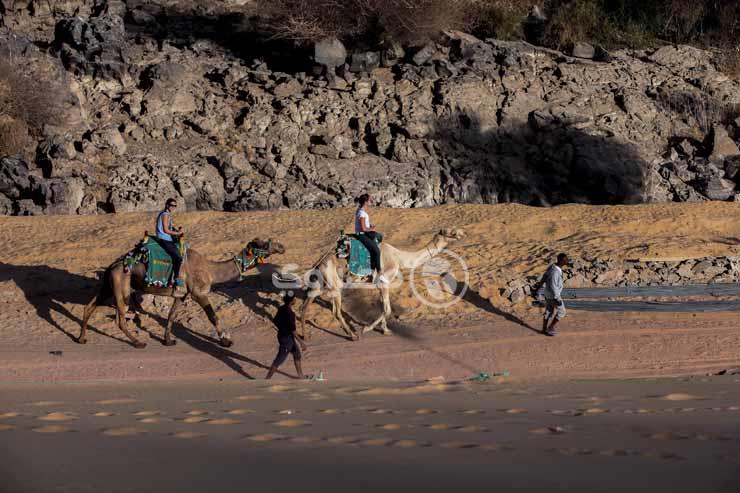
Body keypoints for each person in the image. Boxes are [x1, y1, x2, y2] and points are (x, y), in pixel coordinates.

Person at [266, 293, 307, 379]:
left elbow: (275, 321)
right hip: (286, 339)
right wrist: (301, 342)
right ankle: (267, 379)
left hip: (283, 335)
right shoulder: (290, 313)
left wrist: (282, 328)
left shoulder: (281, 308)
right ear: (291, 301)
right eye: (294, 299)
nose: (295, 300)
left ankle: (301, 376)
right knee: (280, 359)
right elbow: (293, 331)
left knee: (297, 354)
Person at [354, 193, 388, 284]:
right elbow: (363, 228)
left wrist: (370, 226)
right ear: (366, 202)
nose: (371, 202)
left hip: (362, 233)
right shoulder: (362, 213)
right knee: (377, 251)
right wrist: (371, 228)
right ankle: (380, 274)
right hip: (361, 235)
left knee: (374, 248)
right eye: (370, 201)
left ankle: (371, 275)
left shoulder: (359, 210)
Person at [155, 198, 184, 288]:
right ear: (167, 205)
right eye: (171, 205)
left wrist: (176, 230)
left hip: (165, 238)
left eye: (175, 206)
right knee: (178, 257)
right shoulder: (165, 215)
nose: (173, 207)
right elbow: (166, 230)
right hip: (164, 239)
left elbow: (169, 228)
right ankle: (176, 278)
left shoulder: (165, 214)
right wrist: (178, 233)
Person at [541, 253, 569, 337]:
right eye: (566, 260)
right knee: (562, 312)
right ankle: (550, 327)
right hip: (553, 295)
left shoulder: (552, 267)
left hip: (548, 293)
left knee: (549, 311)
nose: (567, 261)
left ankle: (544, 329)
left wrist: (540, 284)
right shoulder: (555, 272)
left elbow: (544, 276)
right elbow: (553, 286)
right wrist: (557, 298)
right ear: (561, 261)